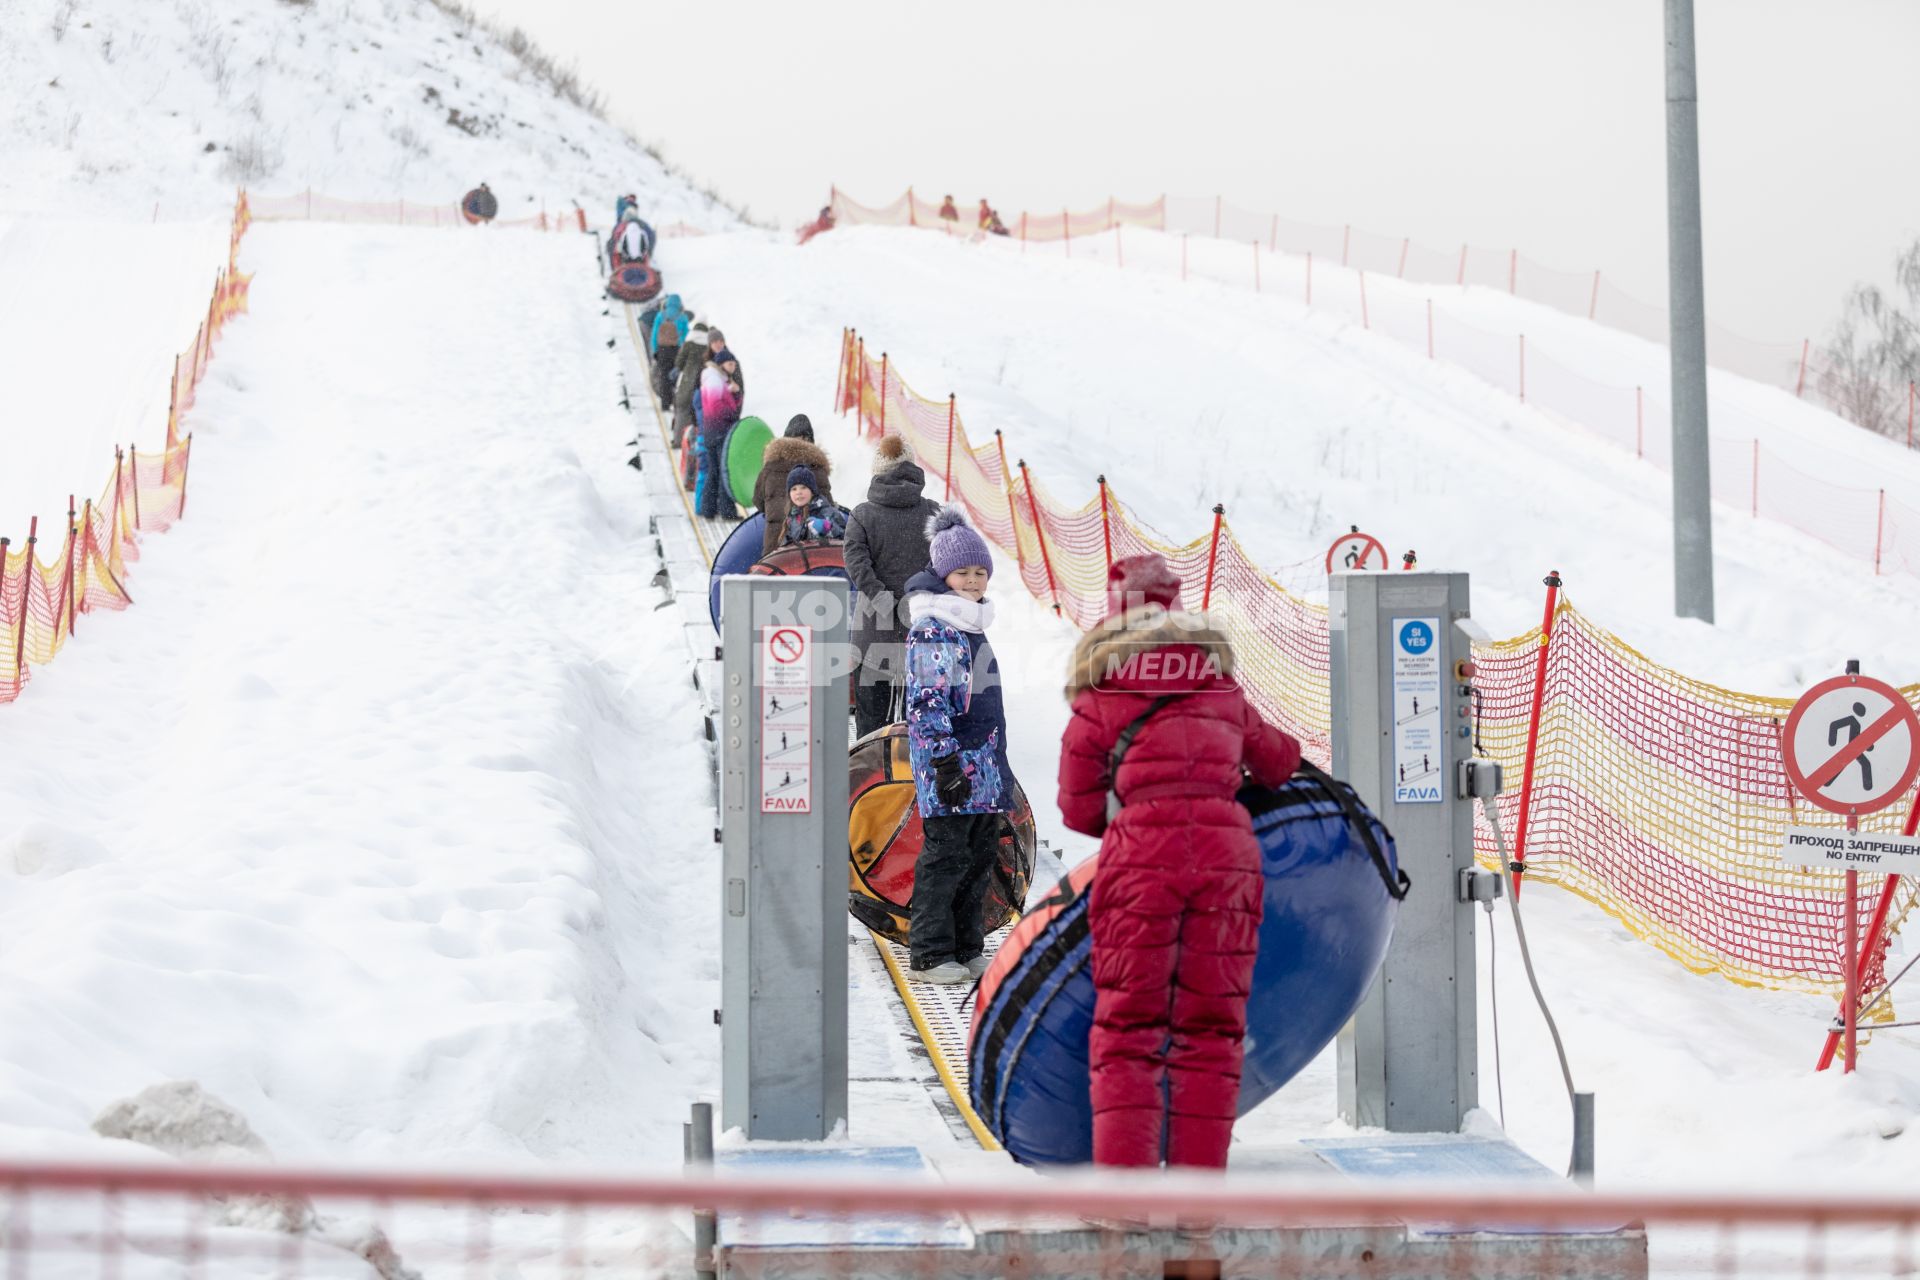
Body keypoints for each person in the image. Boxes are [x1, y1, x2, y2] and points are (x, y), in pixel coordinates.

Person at [1056, 553, 1302, 1169]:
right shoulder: (1218, 682)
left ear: (1115, 611)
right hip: (1227, 864)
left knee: (1128, 1029)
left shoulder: (1103, 689)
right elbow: (1279, 763)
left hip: (1140, 863)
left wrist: (1133, 815)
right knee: (1211, 1033)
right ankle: (1195, 1202)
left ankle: (1128, 1198)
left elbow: (1077, 807)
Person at [903, 506, 1013, 985]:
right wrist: (945, 761)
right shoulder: (934, 627)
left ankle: (968, 947)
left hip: (984, 762)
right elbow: (927, 701)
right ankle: (929, 951)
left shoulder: (970, 625)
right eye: (963, 572)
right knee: (946, 855)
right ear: (944, 574)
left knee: (979, 854)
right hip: (950, 764)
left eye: (980, 572)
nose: (973, 581)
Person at [844, 435, 940, 737]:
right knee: (924, 721)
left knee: (872, 724)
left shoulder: (862, 515)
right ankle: (918, 779)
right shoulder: (933, 512)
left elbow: (857, 565)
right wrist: (915, 603)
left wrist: (885, 602)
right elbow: (943, 564)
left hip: (873, 635)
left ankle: (871, 779)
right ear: (911, 468)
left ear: (877, 472)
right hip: (924, 635)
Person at [753, 415, 834, 555]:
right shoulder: (818, 470)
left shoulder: (770, 468)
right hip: (811, 551)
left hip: (775, 549)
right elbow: (828, 507)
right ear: (811, 442)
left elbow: (758, 502)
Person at [694, 357, 741, 518]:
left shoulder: (718, 379)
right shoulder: (715, 379)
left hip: (712, 431)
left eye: (734, 364)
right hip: (719, 431)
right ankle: (727, 511)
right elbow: (716, 406)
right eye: (730, 364)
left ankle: (709, 509)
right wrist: (733, 414)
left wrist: (734, 393)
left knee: (714, 471)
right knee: (723, 472)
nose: (733, 367)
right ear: (721, 364)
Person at [672, 325, 711, 488]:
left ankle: (678, 441)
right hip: (701, 390)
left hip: (687, 383)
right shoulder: (708, 347)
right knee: (696, 423)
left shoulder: (689, 343)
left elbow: (679, 363)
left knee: (681, 412)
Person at [779, 466, 848, 545]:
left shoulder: (829, 512)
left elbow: (847, 539)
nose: (798, 492)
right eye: (794, 489)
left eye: (803, 487)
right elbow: (785, 550)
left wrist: (827, 528)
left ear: (812, 491)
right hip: (802, 557)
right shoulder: (791, 519)